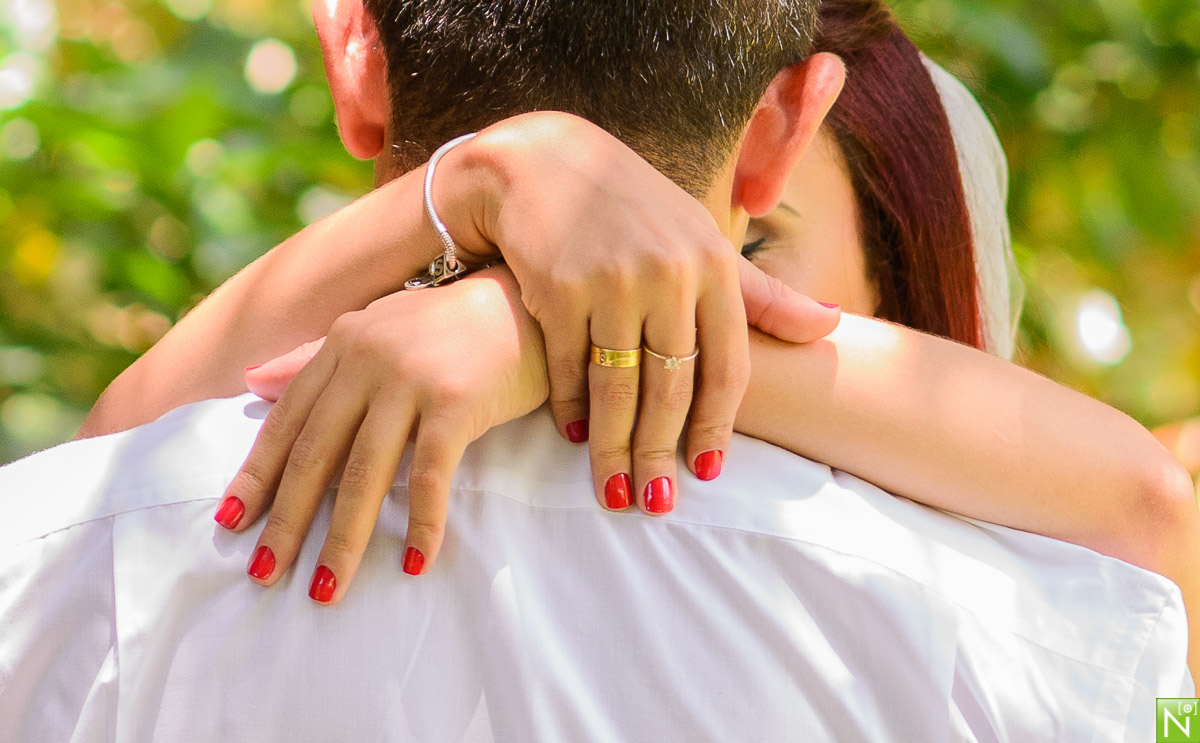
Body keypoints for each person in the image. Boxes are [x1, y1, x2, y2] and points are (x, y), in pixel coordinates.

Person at [0, 0, 1191, 739]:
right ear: (788, 123)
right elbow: (1155, 535)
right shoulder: (1006, 629)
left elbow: (80, 478)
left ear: (350, 46)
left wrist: (483, 226)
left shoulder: (80, 543)